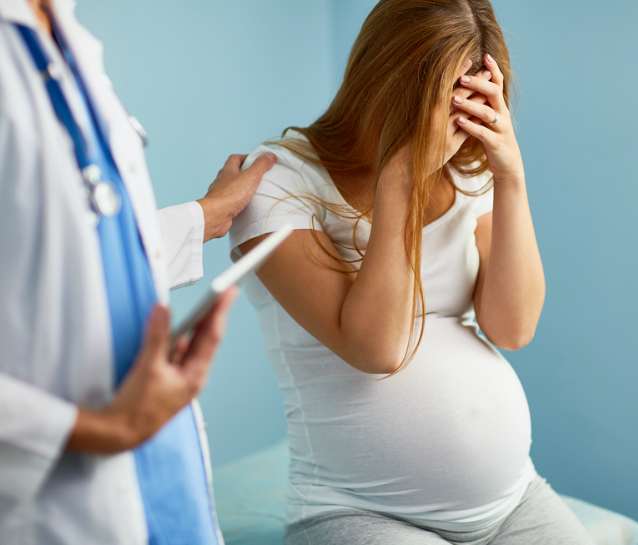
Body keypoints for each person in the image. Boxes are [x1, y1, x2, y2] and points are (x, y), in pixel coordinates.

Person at [230, 1, 597, 544]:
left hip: (514, 501)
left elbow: (512, 328)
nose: (455, 123)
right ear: (383, 82)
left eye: (472, 99)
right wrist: (401, 177)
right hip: (356, 511)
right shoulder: (280, 180)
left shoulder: (466, 166)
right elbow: (377, 350)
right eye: (443, 101)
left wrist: (511, 176)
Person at [0, 0, 276, 543]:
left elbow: (70, 249)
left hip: (164, 479)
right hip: (56, 506)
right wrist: (101, 428)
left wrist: (206, 216)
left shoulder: (64, 38)